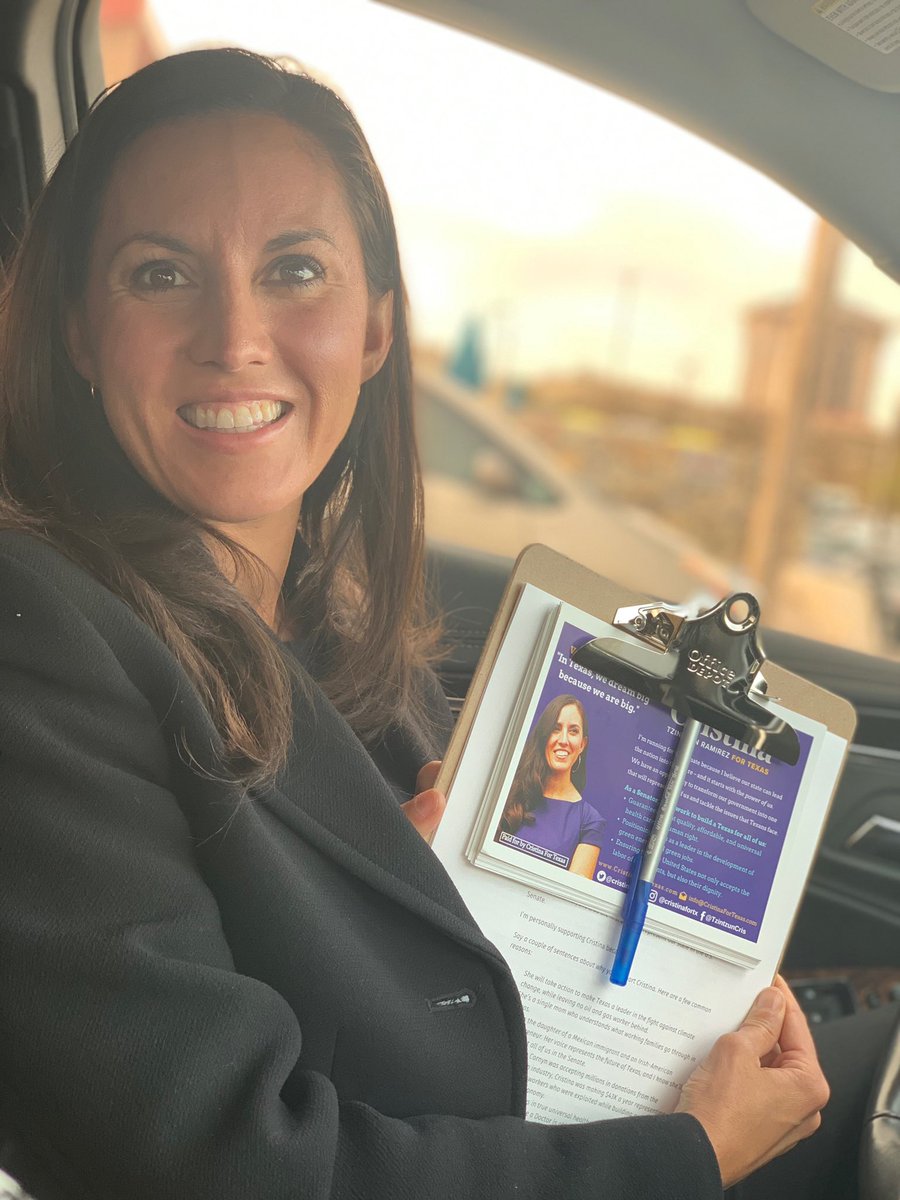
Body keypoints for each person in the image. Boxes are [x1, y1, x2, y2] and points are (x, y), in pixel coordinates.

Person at [0, 45, 892, 1200]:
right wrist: (684, 1156)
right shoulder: (40, 631)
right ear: (76, 331)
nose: (234, 336)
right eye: (160, 275)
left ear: (374, 329)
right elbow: (218, 1165)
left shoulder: (323, 615)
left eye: (296, 269)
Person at [496, 693, 605, 878]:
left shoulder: (590, 821)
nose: (563, 740)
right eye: (555, 728)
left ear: (582, 745)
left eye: (573, 731)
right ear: (544, 736)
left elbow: (568, 898)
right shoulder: (509, 791)